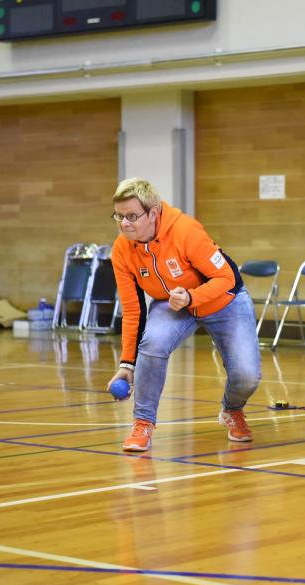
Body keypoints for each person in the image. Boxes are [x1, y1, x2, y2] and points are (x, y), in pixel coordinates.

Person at [105, 178, 262, 452]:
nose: (124, 224)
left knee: (247, 376)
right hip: (173, 305)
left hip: (224, 300)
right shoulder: (122, 249)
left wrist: (192, 297)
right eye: (119, 216)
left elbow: (225, 276)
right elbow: (133, 309)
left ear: (153, 212)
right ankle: (143, 422)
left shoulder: (186, 231)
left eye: (132, 216)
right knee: (152, 344)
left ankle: (232, 410)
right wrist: (127, 364)